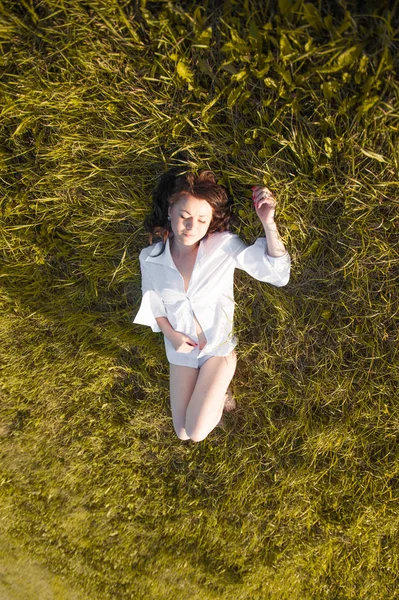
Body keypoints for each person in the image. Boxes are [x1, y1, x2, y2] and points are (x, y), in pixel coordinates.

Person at [133, 167, 291, 442]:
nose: (191, 227)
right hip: (180, 351)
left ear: (210, 223)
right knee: (181, 433)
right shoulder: (150, 257)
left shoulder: (222, 247)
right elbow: (152, 301)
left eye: (201, 220)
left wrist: (268, 223)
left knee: (195, 432)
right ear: (170, 211)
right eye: (184, 216)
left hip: (218, 349)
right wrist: (170, 335)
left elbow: (278, 275)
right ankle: (218, 393)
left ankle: (222, 385)